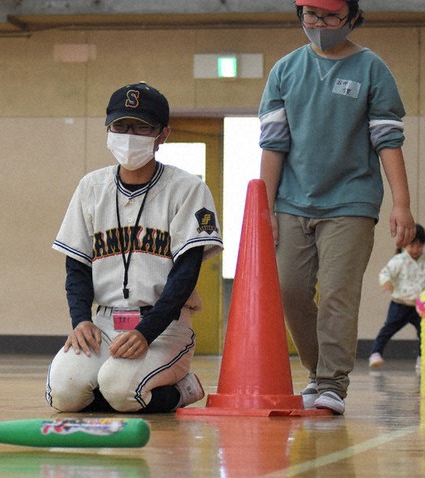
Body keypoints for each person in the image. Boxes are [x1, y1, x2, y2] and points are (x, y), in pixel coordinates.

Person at [258, 0, 416, 414]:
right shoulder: (285, 71)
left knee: (337, 294)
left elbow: (388, 140)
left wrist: (402, 203)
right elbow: (273, 145)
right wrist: (266, 207)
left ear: (352, 17)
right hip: (292, 201)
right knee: (289, 289)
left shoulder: (371, 69)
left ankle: (331, 383)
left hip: (351, 200)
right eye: (311, 15)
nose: (320, 25)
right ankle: (317, 370)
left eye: (331, 17)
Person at [46, 82, 223, 414]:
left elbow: (185, 275)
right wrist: (81, 320)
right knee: (64, 395)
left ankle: (183, 389)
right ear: (109, 129)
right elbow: (77, 266)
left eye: (142, 126)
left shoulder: (188, 189)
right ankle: (109, 381)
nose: (129, 134)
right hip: (103, 322)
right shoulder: (91, 187)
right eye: (120, 125)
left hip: (163, 326)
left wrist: (147, 331)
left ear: (163, 134)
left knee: (121, 391)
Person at [368, 224, 425, 370]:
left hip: (419, 306)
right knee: (388, 328)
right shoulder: (399, 260)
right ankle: (376, 353)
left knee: (423, 333)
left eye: (420, 246)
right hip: (400, 304)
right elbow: (385, 273)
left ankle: (421, 358)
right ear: (405, 244)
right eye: (412, 245)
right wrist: (386, 282)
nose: (415, 250)